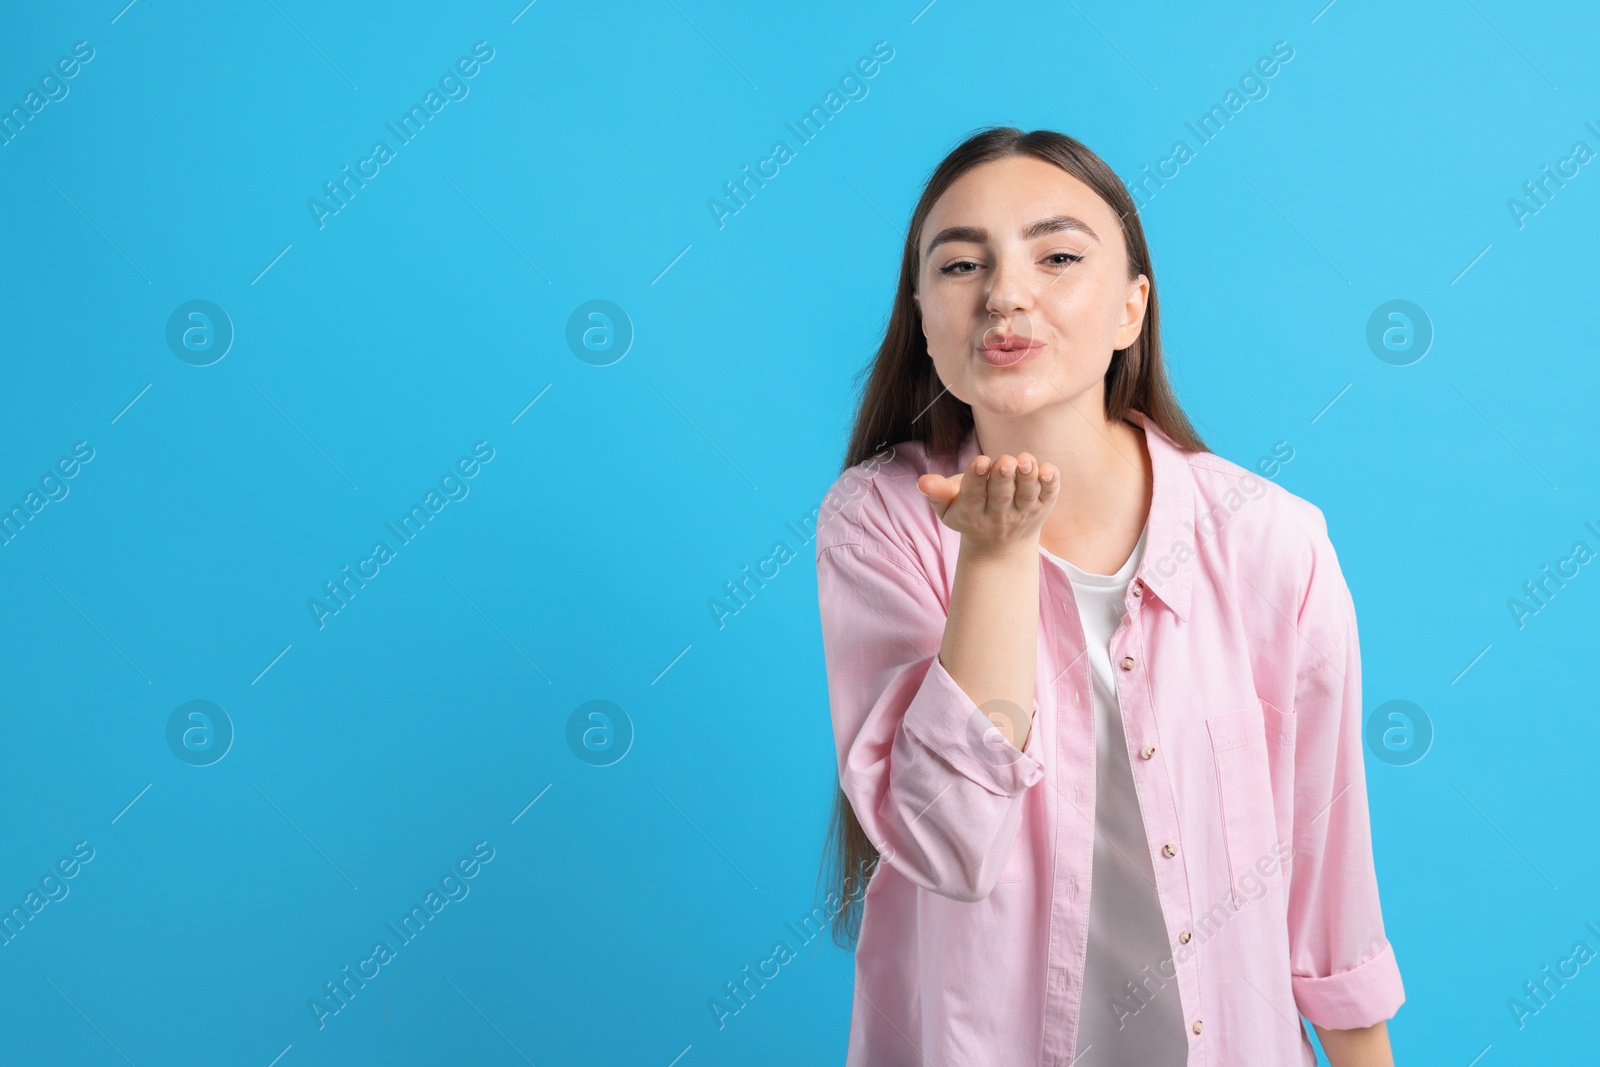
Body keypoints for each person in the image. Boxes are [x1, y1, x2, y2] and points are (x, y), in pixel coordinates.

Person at [813, 127, 1404, 1067]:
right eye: (962, 264)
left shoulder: (1269, 541)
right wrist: (997, 559)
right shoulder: (878, 521)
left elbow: (1328, 893)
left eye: (1057, 256)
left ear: (1133, 306)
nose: (1006, 293)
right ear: (922, 316)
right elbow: (948, 842)